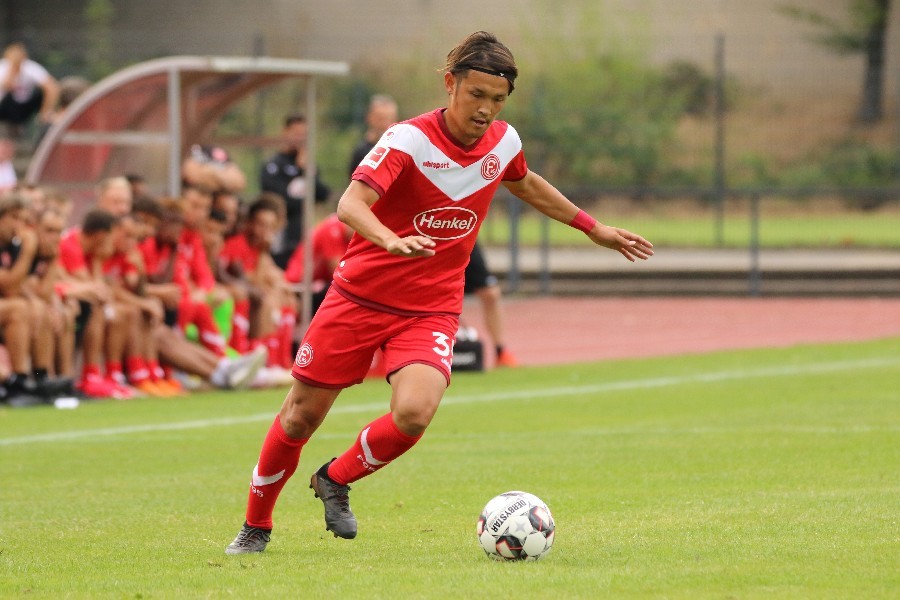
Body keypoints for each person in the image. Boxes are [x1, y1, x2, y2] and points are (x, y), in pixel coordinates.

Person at [225, 31, 653, 555]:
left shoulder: (503, 141)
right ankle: (256, 525)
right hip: (358, 297)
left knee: (415, 412)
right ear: (451, 84)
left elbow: (524, 182)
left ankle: (334, 479)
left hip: (430, 308)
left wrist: (594, 227)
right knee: (299, 416)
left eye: (497, 101)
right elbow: (350, 204)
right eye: (476, 95)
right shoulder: (407, 139)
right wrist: (387, 237)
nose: (486, 110)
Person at [349, 93, 518, 368]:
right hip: (406, 234)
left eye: (390, 118)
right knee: (394, 296)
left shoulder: (452, 143)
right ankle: (384, 358)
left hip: (454, 230)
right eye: (380, 118)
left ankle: (501, 351)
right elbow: (355, 200)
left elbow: (525, 182)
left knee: (490, 292)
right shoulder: (374, 149)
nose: (386, 123)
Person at [259, 114, 331, 268]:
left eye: (303, 134)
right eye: (296, 133)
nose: (300, 138)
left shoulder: (307, 165)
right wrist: (304, 198)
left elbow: (323, 194)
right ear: (285, 132)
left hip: (304, 233)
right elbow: (279, 201)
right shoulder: (273, 166)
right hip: (281, 237)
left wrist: (306, 171)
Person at [0, 42, 60, 138]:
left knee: (40, 92)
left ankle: (44, 124)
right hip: (6, 107)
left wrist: (45, 110)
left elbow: (52, 87)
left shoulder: (29, 67)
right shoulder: (3, 68)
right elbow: (5, 86)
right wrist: (12, 72)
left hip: (24, 107)